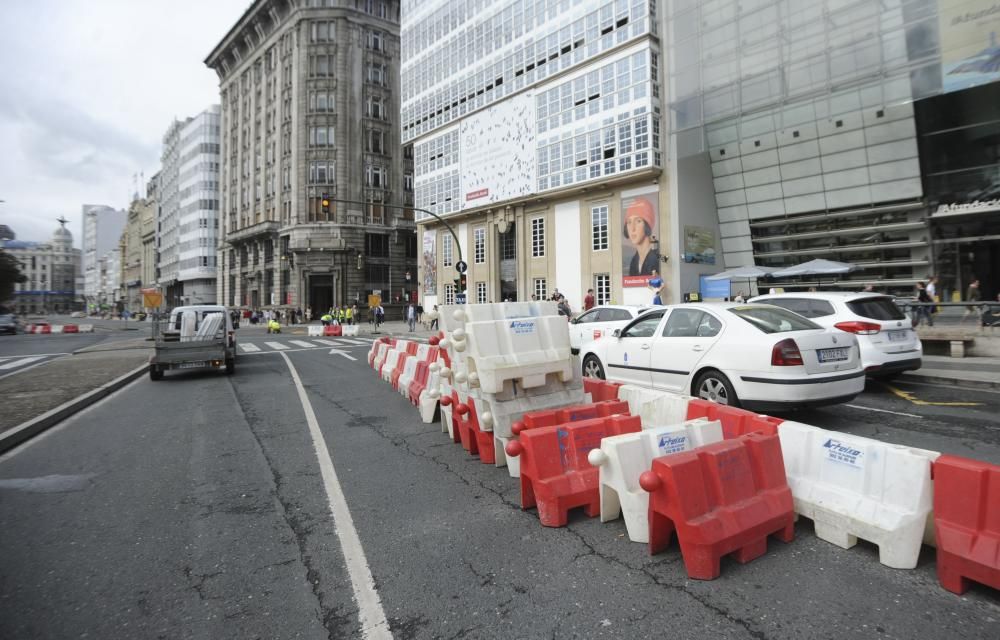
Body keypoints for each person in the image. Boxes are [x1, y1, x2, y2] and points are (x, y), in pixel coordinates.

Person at [624, 197, 659, 276]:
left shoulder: (657, 255)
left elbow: (667, 260)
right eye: (629, 222)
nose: (632, 228)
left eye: (638, 221)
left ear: (647, 224)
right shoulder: (633, 261)